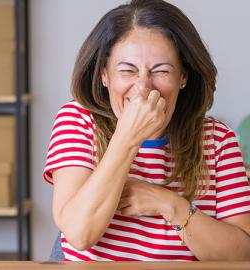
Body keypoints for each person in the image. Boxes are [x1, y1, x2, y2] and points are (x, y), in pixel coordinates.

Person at [43, 0, 250, 261]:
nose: (143, 87)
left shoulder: (217, 140)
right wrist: (128, 138)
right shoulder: (78, 120)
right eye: (127, 70)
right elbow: (79, 233)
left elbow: (242, 256)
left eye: (161, 70)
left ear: (183, 76)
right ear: (104, 74)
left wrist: (169, 204)